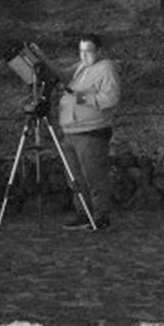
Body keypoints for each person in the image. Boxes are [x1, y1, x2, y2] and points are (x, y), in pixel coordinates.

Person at [58, 33, 121, 230]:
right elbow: (60, 74)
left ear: (99, 51)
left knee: (94, 176)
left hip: (91, 131)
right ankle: (83, 212)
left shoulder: (106, 69)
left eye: (88, 51)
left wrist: (85, 99)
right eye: (81, 51)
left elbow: (111, 98)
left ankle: (101, 216)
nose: (84, 55)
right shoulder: (79, 67)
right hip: (70, 130)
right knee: (75, 177)